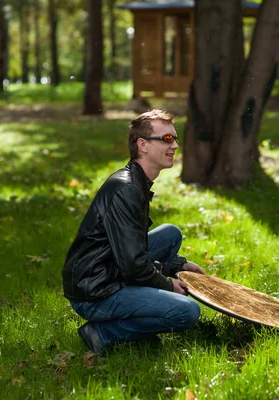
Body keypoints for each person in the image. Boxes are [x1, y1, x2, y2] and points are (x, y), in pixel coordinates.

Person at [62, 109, 204, 355]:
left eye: (176, 138)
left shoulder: (136, 182)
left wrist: (176, 265)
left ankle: (136, 315)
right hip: (95, 291)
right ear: (143, 145)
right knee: (187, 311)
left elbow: (133, 250)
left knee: (171, 233)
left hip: (109, 270)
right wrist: (169, 285)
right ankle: (102, 333)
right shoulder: (127, 189)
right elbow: (132, 264)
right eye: (168, 139)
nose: (176, 146)